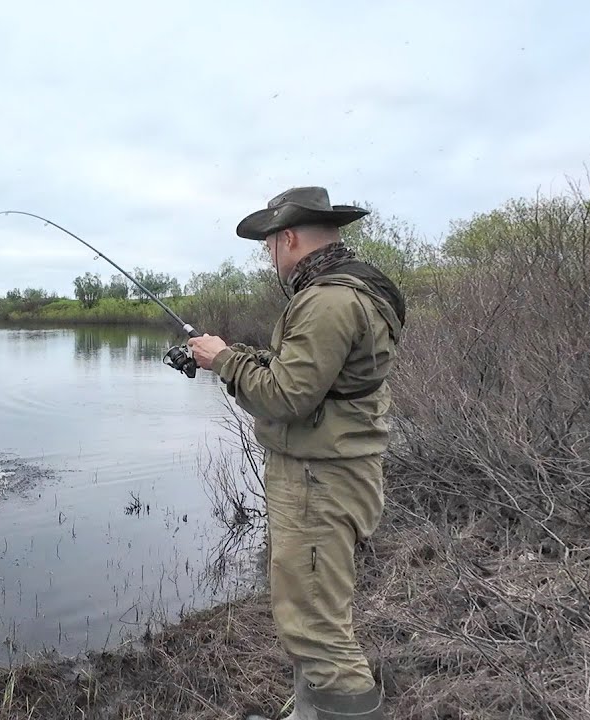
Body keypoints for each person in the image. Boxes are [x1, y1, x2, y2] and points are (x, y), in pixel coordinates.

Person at [187, 187, 405, 720]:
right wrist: (244, 357)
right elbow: (318, 379)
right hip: (333, 473)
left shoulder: (327, 300)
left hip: (319, 482)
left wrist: (224, 361)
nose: (269, 257)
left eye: (268, 246)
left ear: (287, 239)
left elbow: (287, 396)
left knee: (316, 631)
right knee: (314, 614)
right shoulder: (351, 288)